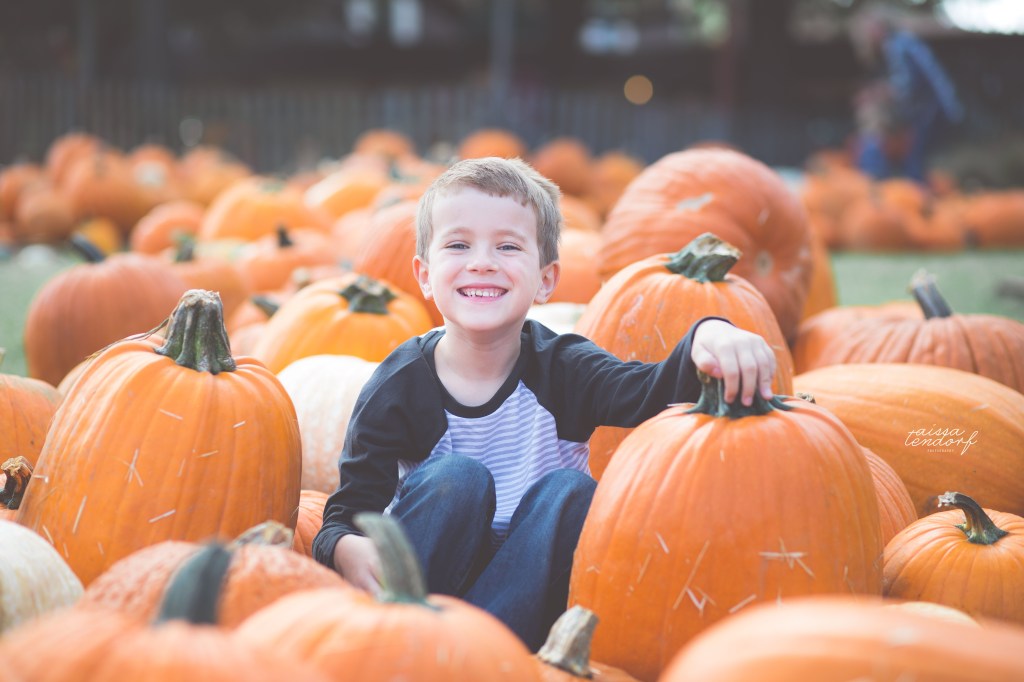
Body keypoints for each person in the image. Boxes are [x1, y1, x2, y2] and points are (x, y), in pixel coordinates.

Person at [311, 156, 777, 650]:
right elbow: (343, 515)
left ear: (547, 279)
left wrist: (711, 332)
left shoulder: (564, 367)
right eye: (458, 244)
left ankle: (488, 656)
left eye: (508, 246)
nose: (482, 261)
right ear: (425, 275)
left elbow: (652, 393)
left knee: (571, 491)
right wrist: (344, 548)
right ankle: (411, 645)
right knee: (458, 477)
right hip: (426, 585)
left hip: (524, 593)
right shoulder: (401, 384)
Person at [850, 8, 964, 183]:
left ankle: (918, 197)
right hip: (930, 109)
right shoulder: (901, 44)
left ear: (877, 28)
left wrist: (877, 94)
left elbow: (906, 86)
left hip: (932, 110)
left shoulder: (898, 45)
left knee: (915, 157)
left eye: (867, 30)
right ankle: (915, 193)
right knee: (914, 156)